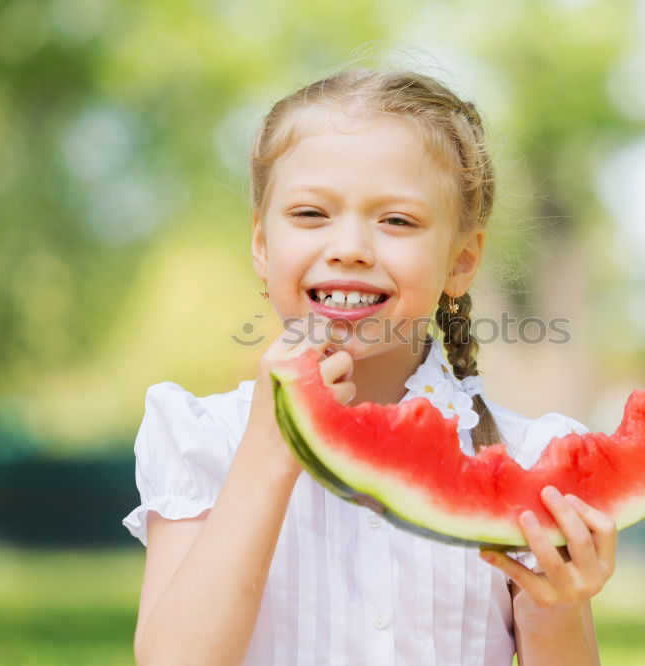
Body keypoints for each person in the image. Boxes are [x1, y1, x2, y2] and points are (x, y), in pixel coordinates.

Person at [123, 65, 618, 665]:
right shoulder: (203, 440)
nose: (351, 247)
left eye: (397, 221)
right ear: (261, 245)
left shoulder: (529, 457)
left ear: (461, 262)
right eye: (310, 214)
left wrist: (554, 607)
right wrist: (265, 455)